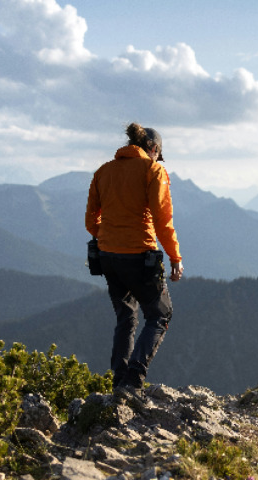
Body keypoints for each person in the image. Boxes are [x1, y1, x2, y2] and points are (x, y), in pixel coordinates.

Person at [85, 122, 183, 393]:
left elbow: (91, 221)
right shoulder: (153, 171)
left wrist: (109, 236)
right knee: (160, 314)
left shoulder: (103, 172)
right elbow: (163, 221)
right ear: (153, 149)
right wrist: (175, 257)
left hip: (107, 257)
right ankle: (134, 378)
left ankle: (119, 380)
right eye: (157, 154)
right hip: (140, 256)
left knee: (126, 317)